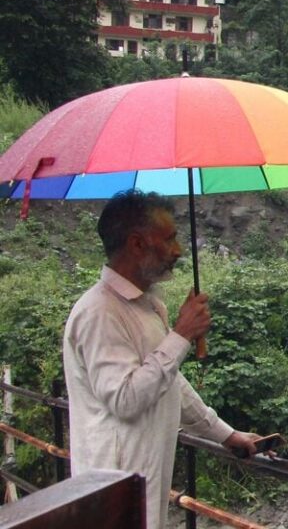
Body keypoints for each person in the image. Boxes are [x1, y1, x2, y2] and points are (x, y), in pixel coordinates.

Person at [62, 190, 265, 529]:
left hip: (144, 485)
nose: (178, 250)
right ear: (137, 244)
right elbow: (125, 400)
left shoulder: (148, 304)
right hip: (113, 495)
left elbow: (168, 380)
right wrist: (182, 335)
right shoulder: (99, 312)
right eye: (169, 238)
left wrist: (225, 435)